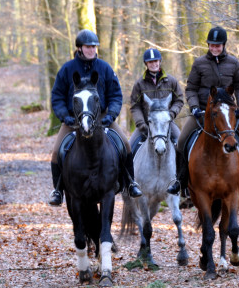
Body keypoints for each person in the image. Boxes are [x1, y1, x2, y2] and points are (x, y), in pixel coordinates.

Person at [48, 29, 142, 206]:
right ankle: (58, 190)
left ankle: (130, 182)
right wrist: (64, 117)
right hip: (73, 118)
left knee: (126, 144)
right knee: (55, 152)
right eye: (88, 47)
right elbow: (57, 96)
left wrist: (111, 116)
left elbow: (115, 95)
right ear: (80, 48)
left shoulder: (105, 68)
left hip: (102, 117)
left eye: (94, 46)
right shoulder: (67, 69)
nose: (92, 50)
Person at [168, 26, 239, 196]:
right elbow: (191, 89)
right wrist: (195, 107)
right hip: (204, 112)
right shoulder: (199, 63)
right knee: (181, 141)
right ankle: (180, 181)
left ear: (224, 45)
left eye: (217, 45)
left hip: (228, 113)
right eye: (211, 45)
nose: (214, 48)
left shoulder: (233, 63)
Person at [129, 48, 184, 191]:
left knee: (182, 144)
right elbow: (135, 106)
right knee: (128, 148)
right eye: (150, 62)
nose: (154, 64)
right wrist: (141, 123)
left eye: (156, 61)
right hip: (146, 125)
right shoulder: (139, 84)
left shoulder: (171, 81)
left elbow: (179, 100)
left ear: (160, 61)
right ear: (146, 64)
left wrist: (171, 114)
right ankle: (129, 183)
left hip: (167, 124)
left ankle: (183, 183)